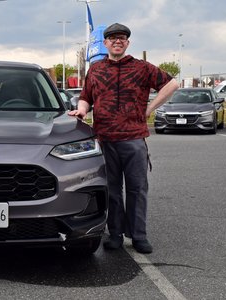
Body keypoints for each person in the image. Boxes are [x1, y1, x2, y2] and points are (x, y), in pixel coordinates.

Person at [68, 23, 179, 254]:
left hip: (134, 139)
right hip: (105, 139)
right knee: (113, 190)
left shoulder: (141, 68)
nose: (117, 41)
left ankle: (139, 236)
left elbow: (172, 83)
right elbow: (86, 97)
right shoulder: (96, 70)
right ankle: (116, 235)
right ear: (105, 43)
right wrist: (81, 110)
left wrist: (150, 108)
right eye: (112, 38)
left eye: (122, 38)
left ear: (127, 43)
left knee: (137, 189)